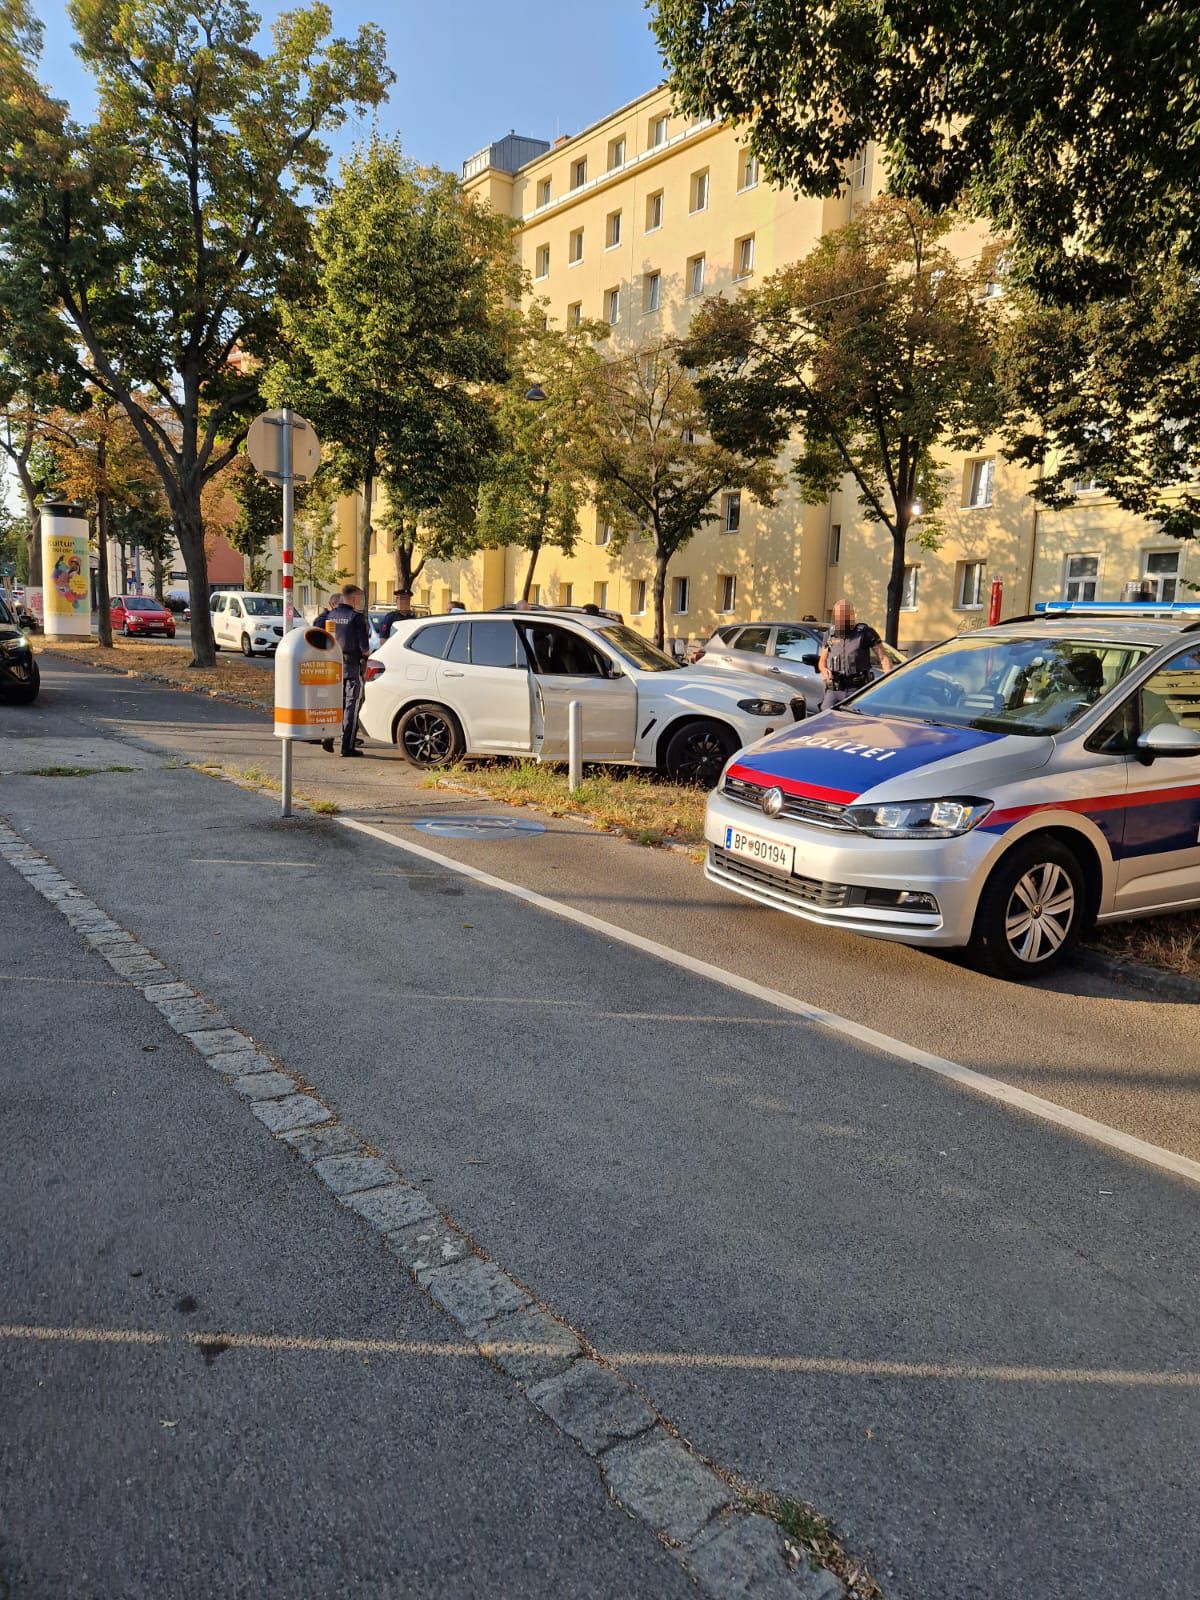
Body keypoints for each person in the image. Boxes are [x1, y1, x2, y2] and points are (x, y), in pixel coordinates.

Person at [320, 583, 371, 757]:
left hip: (333, 665)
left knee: (334, 702)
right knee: (352, 704)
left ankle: (328, 735)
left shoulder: (331, 615)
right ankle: (347, 746)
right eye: (359, 598)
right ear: (354, 597)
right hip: (351, 666)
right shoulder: (356, 618)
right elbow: (364, 648)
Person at [818, 598, 891, 710]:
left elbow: (883, 658)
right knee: (824, 721)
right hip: (834, 691)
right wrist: (824, 671)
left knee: (856, 723)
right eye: (838, 617)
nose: (840, 620)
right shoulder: (829, 635)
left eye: (844, 616)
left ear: (851, 615)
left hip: (857, 691)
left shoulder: (865, 633)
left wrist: (889, 682)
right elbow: (822, 662)